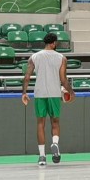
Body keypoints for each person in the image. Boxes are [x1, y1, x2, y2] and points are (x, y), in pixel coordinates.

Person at [22, 33, 74, 166]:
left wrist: (24, 93)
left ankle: (42, 156)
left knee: (40, 124)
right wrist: (71, 92)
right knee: (55, 122)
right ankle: (55, 143)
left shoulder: (34, 57)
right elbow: (63, 79)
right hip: (54, 93)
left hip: (40, 93)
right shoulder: (62, 58)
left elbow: (27, 77)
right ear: (54, 43)